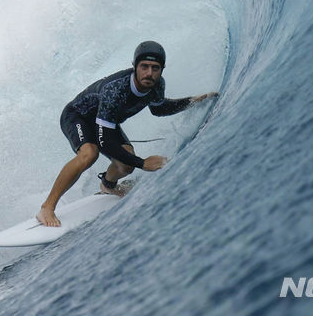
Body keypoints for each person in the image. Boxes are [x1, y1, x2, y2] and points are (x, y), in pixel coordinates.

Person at [36, 41, 219, 227]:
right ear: (135, 67)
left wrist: (191, 102)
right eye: (144, 67)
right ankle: (47, 208)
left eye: (155, 68)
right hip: (78, 116)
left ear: (162, 69)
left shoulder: (156, 86)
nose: (149, 73)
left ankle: (108, 186)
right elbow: (104, 140)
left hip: (105, 123)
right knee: (89, 154)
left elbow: (159, 109)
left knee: (126, 165)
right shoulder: (115, 90)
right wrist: (143, 163)